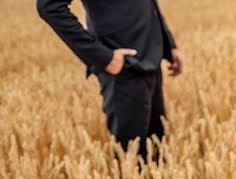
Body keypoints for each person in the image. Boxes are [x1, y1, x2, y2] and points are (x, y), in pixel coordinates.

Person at [37, 0, 183, 159]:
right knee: (131, 162)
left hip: (151, 59)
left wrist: (168, 44)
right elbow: (49, 6)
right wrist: (103, 57)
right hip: (124, 71)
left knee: (157, 152)